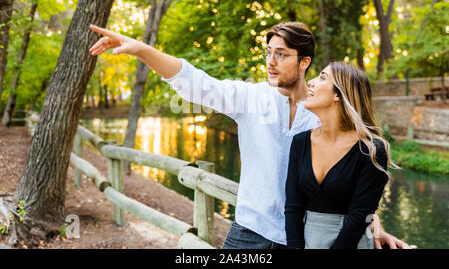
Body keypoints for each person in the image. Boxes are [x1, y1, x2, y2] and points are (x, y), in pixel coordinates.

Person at [88, 21, 409, 249]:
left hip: (300, 237)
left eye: (281, 54)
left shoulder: (323, 112)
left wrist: (373, 224)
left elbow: (350, 178)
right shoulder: (250, 98)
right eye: (268, 52)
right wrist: (141, 50)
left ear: (304, 62)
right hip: (249, 230)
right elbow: (196, 83)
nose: (270, 62)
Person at [285, 62, 393, 249]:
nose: (310, 82)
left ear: (338, 94)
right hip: (308, 241)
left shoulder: (373, 150)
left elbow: (360, 216)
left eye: (322, 77)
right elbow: (293, 207)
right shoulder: (300, 142)